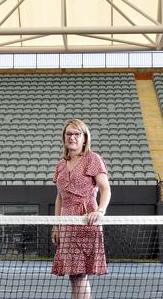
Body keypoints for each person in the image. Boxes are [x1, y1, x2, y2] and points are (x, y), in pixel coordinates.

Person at [51, 119, 111, 299]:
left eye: (77, 134)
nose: (72, 137)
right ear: (64, 138)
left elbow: (105, 189)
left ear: (84, 138)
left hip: (86, 220)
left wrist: (100, 211)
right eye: (68, 134)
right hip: (66, 222)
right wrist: (57, 225)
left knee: (80, 274)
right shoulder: (60, 165)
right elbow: (59, 197)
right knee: (73, 275)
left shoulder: (93, 159)